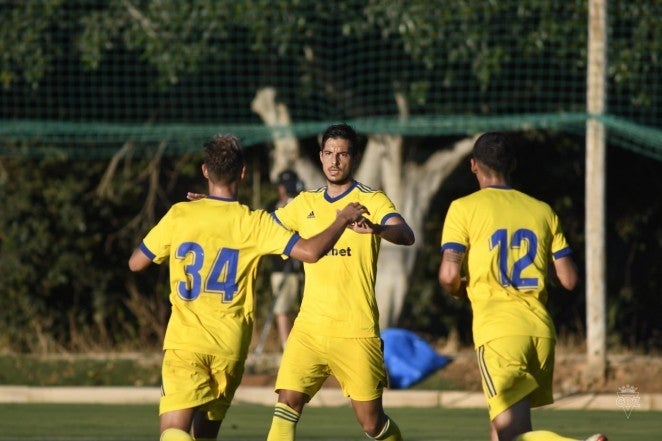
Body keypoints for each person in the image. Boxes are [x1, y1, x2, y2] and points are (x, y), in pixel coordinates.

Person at [127, 134, 368, 441]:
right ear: (242, 172)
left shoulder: (180, 214)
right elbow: (310, 252)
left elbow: (136, 263)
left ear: (204, 171)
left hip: (185, 344)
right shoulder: (254, 223)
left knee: (173, 433)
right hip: (230, 348)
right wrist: (341, 220)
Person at [437, 132, 606, 441]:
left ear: (473, 165)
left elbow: (449, 275)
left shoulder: (463, 208)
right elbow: (569, 279)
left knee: (512, 434)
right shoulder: (542, 210)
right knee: (500, 430)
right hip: (540, 332)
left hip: (500, 333)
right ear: (511, 165)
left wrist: (462, 290)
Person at [266, 123, 415, 441]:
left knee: (372, 424)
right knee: (286, 406)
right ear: (320, 157)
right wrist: (214, 209)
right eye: (329, 154)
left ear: (354, 157)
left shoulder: (372, 199)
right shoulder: (304, 203)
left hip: (356, 331)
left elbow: (405, 234)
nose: (335, 161)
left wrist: (377, 229)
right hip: (309, 330)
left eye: (343, 154)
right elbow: (258, 227)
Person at [267, 170, 304, 349]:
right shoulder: (273, 207)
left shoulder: (301, 205)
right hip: (281, 268)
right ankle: (286, 346)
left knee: (303, 310)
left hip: (301, 267)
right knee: (282, 309)